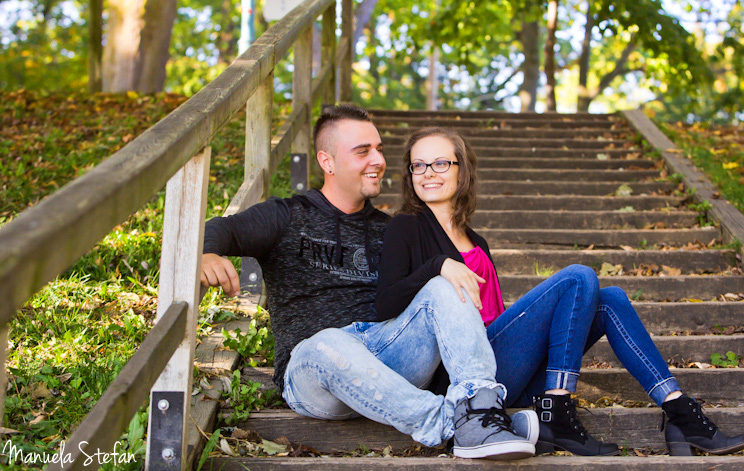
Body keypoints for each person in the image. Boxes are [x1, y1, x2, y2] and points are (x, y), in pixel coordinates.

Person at [375, 126, 744, 457]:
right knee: (578, 277)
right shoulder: (405, 227)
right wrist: (436, 266)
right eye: (418, 165)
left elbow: (495, 316)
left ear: (463, 169)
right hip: (464, 378)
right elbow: (385, 305)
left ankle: (679, 411)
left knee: (611, 301)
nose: (428, 173)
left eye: (440, 163)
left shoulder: (477, 241)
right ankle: (556, 405)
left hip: (504, 367)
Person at [199, 105, 538, 460]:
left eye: (379, 149)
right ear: (327, 162)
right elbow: (220, 228)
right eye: (363, 151)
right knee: (324, 344)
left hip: (387, 356)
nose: (378, 159)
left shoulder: (392, 228)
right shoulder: (287, 215)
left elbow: (432, 306)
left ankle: (480, 408)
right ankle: (453, 425)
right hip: (314, 373)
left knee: (443, 282)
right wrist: (205, 255)